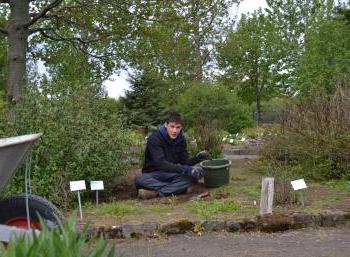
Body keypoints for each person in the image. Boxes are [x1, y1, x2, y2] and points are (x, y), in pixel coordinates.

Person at [134, 112, 211, 199]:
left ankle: (156, 193)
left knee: (192, 179)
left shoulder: (181, 140)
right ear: (166, 125)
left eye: (178, 127)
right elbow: (160, 163)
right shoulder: (154, 139)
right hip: (153, 174)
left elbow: (184, 162)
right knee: (139, 180)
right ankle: (177, 189)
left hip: (171, 174)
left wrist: (198, 157)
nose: (175, 131)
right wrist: (187, 170)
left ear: (181, 127)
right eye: (172, 126)